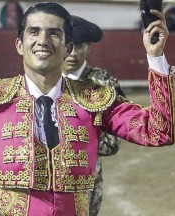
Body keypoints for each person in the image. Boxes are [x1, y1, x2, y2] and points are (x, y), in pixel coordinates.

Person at [0, 2, 175, 216]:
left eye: (54, 33)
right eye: (34, 32)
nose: (42, 40)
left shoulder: (93, 99)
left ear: (68, 47)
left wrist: (155, 57)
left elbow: (159, 131)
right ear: (19, 44)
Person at [62, 15, 126, 216]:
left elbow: (112, 145)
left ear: (88, 47)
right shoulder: (42, 81)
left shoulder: (103, 83)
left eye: (79, 46)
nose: (72, 53)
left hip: (84, 182)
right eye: (68, 46)